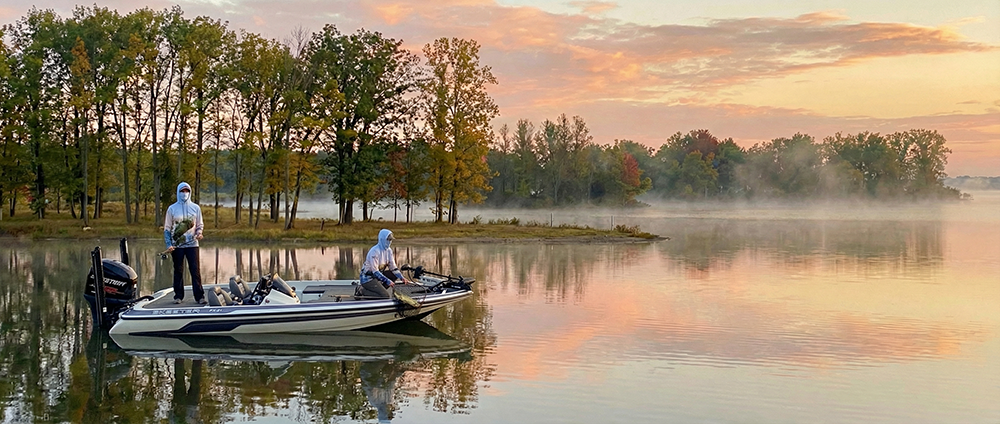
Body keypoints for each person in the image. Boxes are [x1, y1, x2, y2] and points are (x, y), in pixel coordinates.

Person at [164, 182, 205, 304]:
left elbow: (199, 225)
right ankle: (178, 296)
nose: (184, 193)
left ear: (190, 192)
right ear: (178, 192)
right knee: (178, 270)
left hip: (192, 245)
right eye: (182, 191)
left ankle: (199, 296)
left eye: (187, 191)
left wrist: (199, 233)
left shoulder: (196, 208)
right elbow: (167, 228)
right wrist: (169, 244)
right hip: (177, 246)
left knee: (195, 270)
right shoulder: (172, 209)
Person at [359, 229, 408, 298]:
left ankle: (380, 290)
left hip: (378, 277)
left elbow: (393, 267)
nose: (389, 242)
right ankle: (361, 291)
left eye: (391, 240)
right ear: (382, 239)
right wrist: (387, 281)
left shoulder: (389, 251)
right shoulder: (374, 251)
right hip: (368, 278)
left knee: (393, 275)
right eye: (388, 240)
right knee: (385, 296)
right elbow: (375, 271)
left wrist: (402, 278)